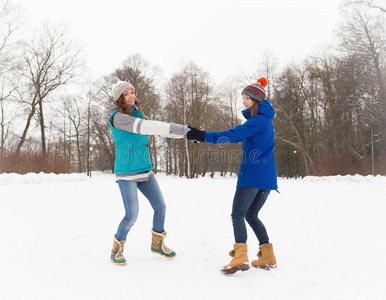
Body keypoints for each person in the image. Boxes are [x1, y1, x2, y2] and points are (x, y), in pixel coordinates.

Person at [186, 77, 278, 274]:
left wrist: (201, 135)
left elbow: (231, 134)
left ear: (256, 99)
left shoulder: (257, 121)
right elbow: (245, 138)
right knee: (251, 215)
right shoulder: (265, 122)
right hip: (267, 177)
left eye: (247, 98)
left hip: (252, 175)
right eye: (242, 98)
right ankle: (267, 255)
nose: (243, 101)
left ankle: (240, 256)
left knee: (237, 214)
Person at [108, 77, 190, 266]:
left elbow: (159, 130)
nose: (130, 96)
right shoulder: (118, 117)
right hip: (127, 173)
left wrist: (186, 133)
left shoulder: (138, 114)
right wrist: (183, 129)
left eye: (132, 92)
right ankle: (116, 249)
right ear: (119, 98)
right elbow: (148, 128)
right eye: (125, 94)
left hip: (145, 169)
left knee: (160, 208)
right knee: (131, 215)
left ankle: (157, 244)